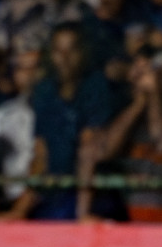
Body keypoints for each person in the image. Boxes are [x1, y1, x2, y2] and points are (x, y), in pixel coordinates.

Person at [80, 52, 162, 223]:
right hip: (144, 230)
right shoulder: (134, 119)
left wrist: (154, 93)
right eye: (158, 76)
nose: (161, 82)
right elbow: (99, 152)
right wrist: (138, 104)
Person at [29, 22, 114, 219]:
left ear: (83, 53)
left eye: (71, 50)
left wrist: (82, 213)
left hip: (88, 193)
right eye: (58, 51)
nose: (64, 58)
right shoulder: (44, 90)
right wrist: (24, 205)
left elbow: (89, 150)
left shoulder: (95, 85)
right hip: (52, 192)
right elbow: (40, 151)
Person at [0, 47, 43, 219]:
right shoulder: (2, 114)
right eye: (22, 68)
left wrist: (20, 211)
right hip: (8, 198)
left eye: (36, 67)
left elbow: (44, 162)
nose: (30, 74)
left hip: (46, 202)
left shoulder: (62, 112)